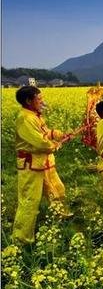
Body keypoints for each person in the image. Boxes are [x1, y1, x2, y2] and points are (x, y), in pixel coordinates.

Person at [12, 86, 71, 245]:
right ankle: (22, 239)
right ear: (28, 101)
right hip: (31, 165)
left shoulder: (34, 115)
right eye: (39, 99)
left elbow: (44, 133)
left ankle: (60, 216)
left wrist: (58, 134)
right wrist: (55, 145)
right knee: (30, 201)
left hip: (43, 162)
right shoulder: (25, 118)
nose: (42, 101)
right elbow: (40, 142)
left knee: (57, 189)